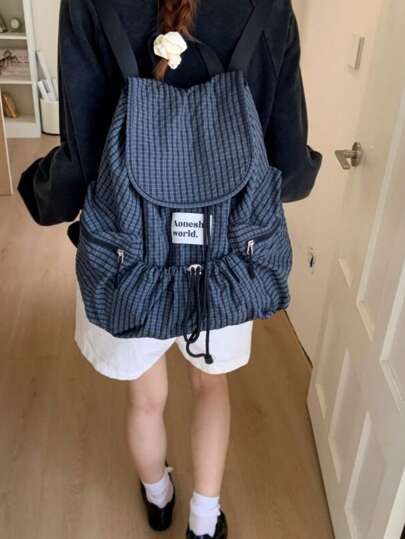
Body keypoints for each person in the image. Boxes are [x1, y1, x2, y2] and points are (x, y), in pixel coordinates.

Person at [17, 1, 322, 537]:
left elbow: (82, 153)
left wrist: (41, 193)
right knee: (211, 386)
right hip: (230, 251)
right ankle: (204, 523)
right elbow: (290, 162)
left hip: (127, 251)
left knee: (145, 397)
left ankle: (158, 498)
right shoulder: (269, 4)